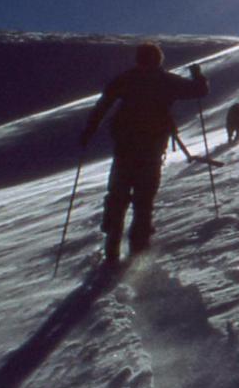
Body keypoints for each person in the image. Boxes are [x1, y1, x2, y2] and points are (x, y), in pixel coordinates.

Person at [80, 42, 209, 262]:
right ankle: (138, 251)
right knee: (144, 199)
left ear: (139, 59)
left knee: (118, 195)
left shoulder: (126, 79)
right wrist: (198, 75)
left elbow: (103, 105)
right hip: (152, 146)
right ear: (158, 59)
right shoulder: (166, 80)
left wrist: (89, 131)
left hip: (125, 146)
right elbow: (199, 91)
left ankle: (111, 248)